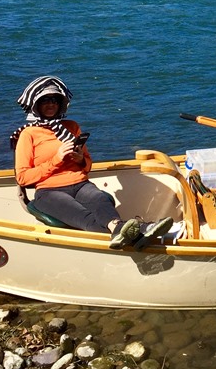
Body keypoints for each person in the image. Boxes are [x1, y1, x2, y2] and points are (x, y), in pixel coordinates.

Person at [10, 76, 171, 249]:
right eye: (45, 100)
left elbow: (87, 166)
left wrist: (80, 160)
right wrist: (56, 159)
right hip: (49, 191)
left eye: (54, 100)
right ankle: (141, 231)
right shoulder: (29, 134)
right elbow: (23, 178)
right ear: (36, 105)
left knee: (101, 200)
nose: (51, 104)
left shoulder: (71, 127)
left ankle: (120, 231)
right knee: (84, 216)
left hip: (80, 184)